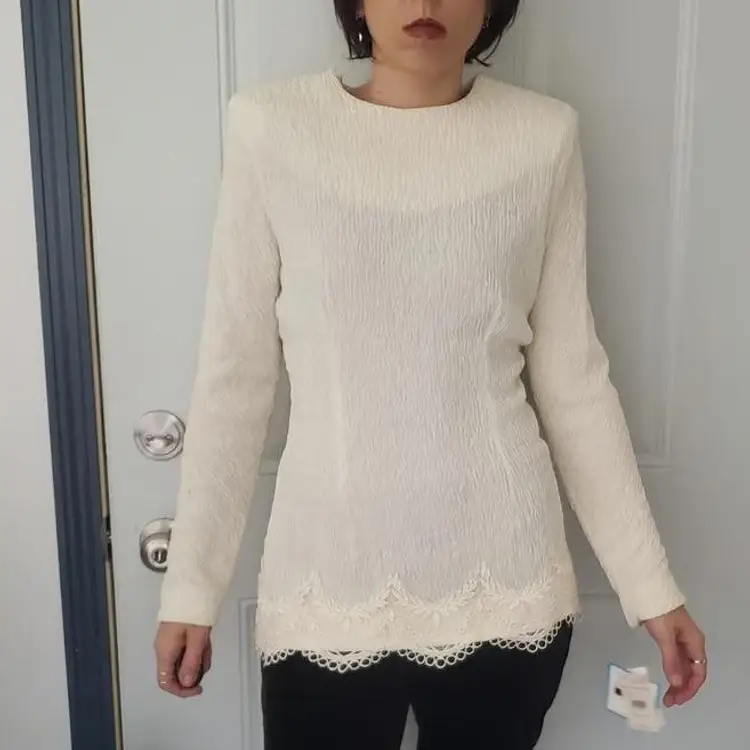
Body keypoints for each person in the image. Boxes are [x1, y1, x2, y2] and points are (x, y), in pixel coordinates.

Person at [154, 1, 707, 747]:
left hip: (507, 588)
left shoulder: (543, 137)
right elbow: (235, 376)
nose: (423, 3)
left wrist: (651, 588)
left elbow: (573, 381)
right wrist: (191, 589)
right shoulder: (271, 128)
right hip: (328, 584)